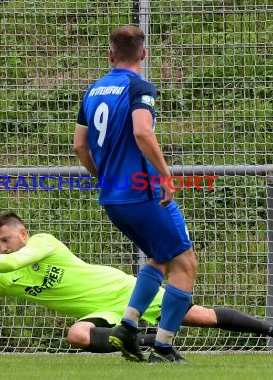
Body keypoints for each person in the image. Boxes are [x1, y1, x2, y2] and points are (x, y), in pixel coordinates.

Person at [0, 211, 273, 359]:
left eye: (4, 238)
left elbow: (18, 259)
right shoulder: (4, 278)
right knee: (77, 334)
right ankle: (143, 342)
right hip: (104, 315)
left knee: (199, 316)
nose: (1, 245)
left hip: (123, 290)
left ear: (21, 233)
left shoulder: (42, 244)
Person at [73, 24, 197, 363]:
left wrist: (103, 176)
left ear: (110, 54)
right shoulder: (139, 86)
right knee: (185, 262)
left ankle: (128, 326)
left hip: (113, 198)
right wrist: (166, 175)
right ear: (143, 53)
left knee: (161, 257)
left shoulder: (93, 91)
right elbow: (142, 132)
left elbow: (80, 146)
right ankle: (163, 346)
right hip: (143, 193)